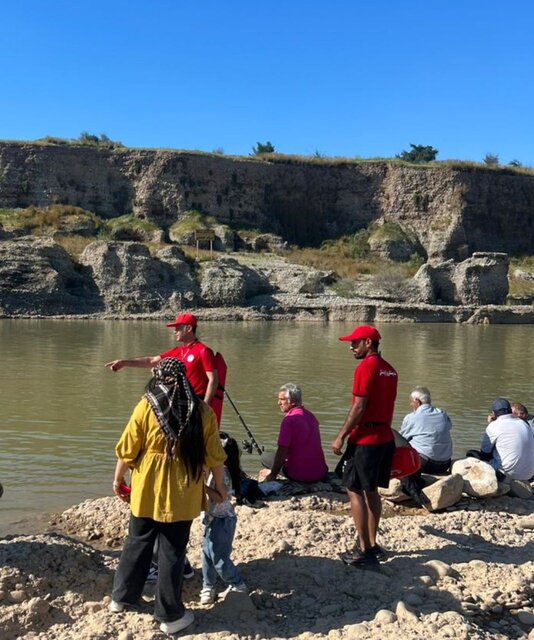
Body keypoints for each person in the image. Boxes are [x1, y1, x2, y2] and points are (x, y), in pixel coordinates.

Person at [108, 358, 227, 635]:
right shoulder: (201, 410)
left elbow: (127, 448)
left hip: (147, 483)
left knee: (137, 540)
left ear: (158, 377)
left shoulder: (146, 405)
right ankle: (170, 615)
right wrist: (220, 487)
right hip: (183, 486)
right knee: (172, 549)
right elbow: (215, 456)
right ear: (184, 377)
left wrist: (117, 480)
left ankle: (122, 598)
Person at [331, 325, 397, 567]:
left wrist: (341, 435)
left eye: (355, 343)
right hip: (385, 437)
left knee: (353, 489)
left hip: (365, 440)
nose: (351, 347)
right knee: (372, 491)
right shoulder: (390, 370)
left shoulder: (365, 368)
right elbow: (387, 406)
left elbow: (359, 407)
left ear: (369, 343)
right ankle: (372, 543)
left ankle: (363, 549)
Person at [105, 312, 219, 411]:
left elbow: (213, 380)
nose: (174, 331)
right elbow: (151, 361)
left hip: (196, 401)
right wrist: (124, 363)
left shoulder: (203, 351)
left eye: (178, 328)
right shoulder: (178, 351)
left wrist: (205, 406)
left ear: (189, 328)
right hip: (178, 400)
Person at [200, 431, 248, 605]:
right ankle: (208, 586)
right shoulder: (214, 470)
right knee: (206, 554)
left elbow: (220, 497)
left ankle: (237, 583)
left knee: (219, 558)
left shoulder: (224, 472)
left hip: (222, 520)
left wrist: (203, 487)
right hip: (211, 518)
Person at [261, 383, 328, 483]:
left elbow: (282, 450)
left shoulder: (289, 420)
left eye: (282, 399)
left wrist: (273, 474)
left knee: (264, 457)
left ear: (292, 401)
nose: (278, 403)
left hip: (299, 475)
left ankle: (271, 472)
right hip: (321, 473)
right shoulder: (311, 416)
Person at [398, 387, 453, 507]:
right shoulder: (442, 414)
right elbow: (448, 427)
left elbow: (402, 439)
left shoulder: (412, 417)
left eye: (411, 401)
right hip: (444, 464)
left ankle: (414, 492)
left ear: (417, 401)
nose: (410, 404)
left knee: (398, 450)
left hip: (426, 463)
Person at [469, 398, 534, 481]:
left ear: (493, 413)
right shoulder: (524, 423)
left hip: (508, 473)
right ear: (510, 410)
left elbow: (485, 453)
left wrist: (491, 425)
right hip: (528, 474)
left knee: (472, 454)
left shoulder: (493, 426)